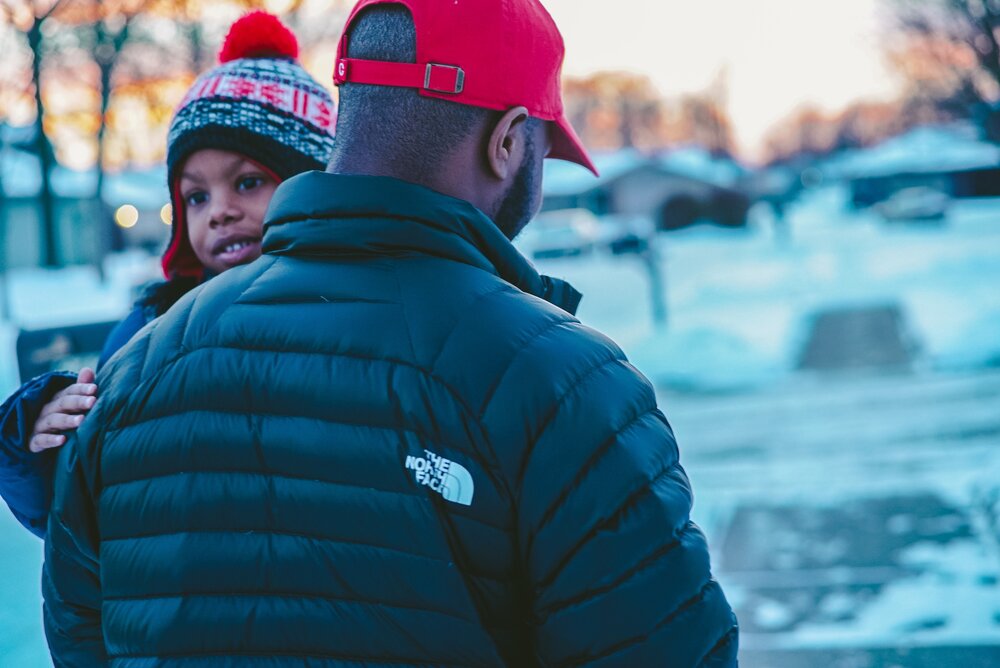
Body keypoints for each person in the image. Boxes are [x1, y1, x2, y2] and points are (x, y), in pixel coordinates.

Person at [43, 1, 739, 666]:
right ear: (506, 142)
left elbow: (79, 629)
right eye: (541, 150)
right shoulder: (564, 388)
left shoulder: (135, 375)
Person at [0, 11, 335, 538]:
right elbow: (79, 516)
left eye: (248, 182)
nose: (217, 211)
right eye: (195, 196)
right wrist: (41, 443)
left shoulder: (351, 312)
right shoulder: (152, 330)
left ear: (315, 186)